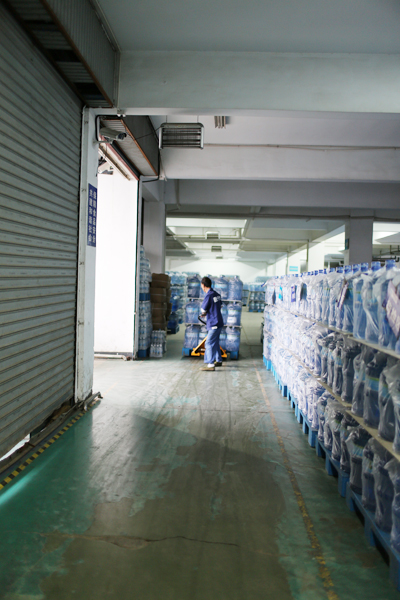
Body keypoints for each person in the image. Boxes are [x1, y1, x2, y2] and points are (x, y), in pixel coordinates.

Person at [199, 276, 224, 371]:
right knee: (215, 342)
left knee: (209, 343)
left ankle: (210, 364)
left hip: (213, 323)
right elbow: (220, 306)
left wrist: (204, 313)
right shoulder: (217, 294)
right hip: (219, 322)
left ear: (203, 285)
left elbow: (203, 309)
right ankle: (218, 360)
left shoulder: (208, 295)